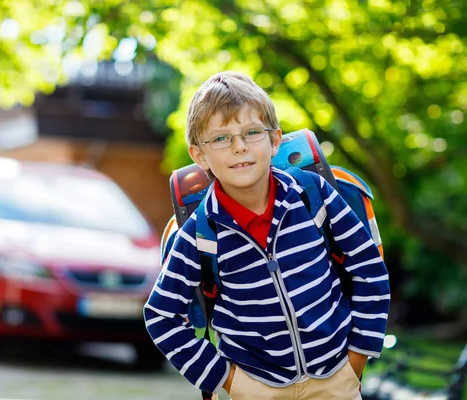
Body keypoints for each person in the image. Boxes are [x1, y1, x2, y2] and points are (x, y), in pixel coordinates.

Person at [143, 71, 390, 400]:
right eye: (221, 138)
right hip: (253, 387)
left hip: (336, 378)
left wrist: (357, 357)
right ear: (199, 155)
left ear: (275, 140)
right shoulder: (201, 234)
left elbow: (369, 267)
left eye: (252, 132)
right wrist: (228, 381)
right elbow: (161, 316)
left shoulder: (311, 195)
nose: (239, 147)